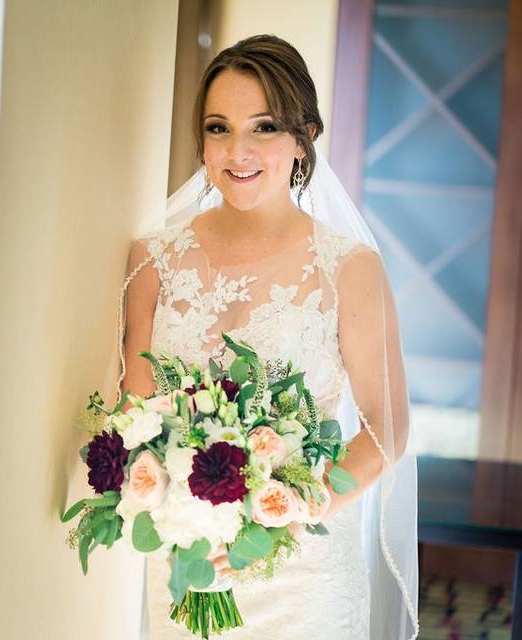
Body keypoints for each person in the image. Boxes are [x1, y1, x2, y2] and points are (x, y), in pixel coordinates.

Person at [119, 35, 419, 639]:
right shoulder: (154, 261)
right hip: (188, 569)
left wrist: (285, 518)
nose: (238, 151)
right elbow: (139, 416)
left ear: (303, 136)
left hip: (305, 581)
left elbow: (387, 429)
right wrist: (176, 499)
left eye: (263, 127)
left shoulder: (348, 269)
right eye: (218, 127)